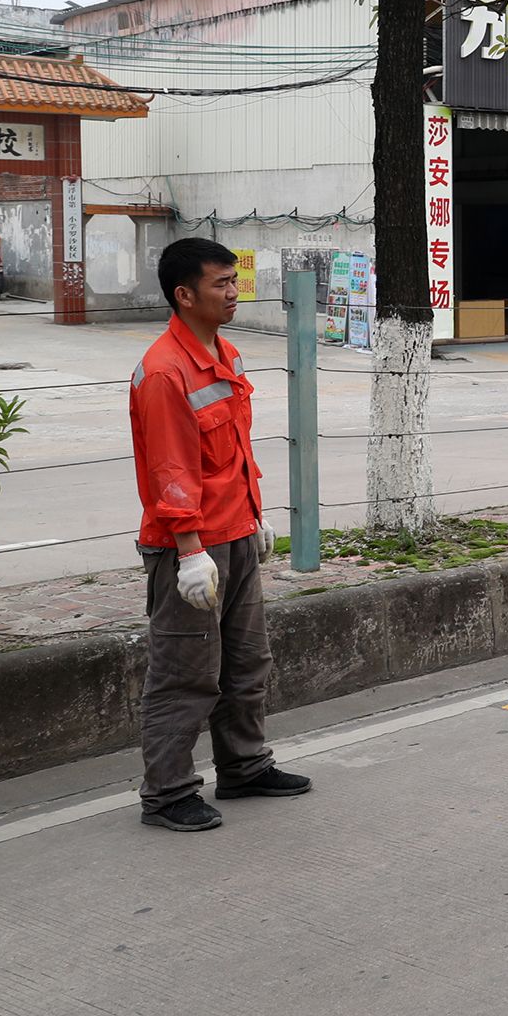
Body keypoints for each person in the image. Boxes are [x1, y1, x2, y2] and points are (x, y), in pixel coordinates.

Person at [130, 237, 309, 830]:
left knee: (246, 661)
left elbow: (232, 451)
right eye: (220, 284)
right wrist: (188, 553)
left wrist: (254, 517)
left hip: (234, 532)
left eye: (235, 281)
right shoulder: (163, 372)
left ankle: (244, 765)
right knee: (185, 673)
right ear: (184, 295)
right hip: (190, 548)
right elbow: (171, 470)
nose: (234, 293)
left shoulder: (226, 355)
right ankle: (168, 792)